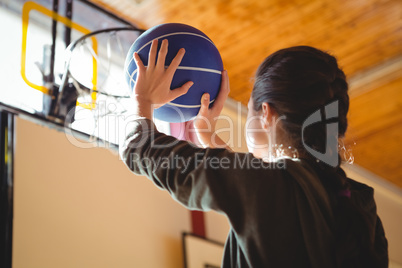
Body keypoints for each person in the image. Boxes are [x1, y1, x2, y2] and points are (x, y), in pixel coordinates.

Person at [119, 39, 388, 267]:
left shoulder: (264, 185)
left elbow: (138, 145)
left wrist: (143, 100)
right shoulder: (361, 205)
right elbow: (262, 196)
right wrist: (212, 142)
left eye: (249, 111)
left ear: (267, 114)